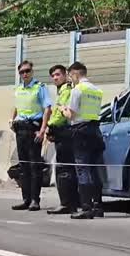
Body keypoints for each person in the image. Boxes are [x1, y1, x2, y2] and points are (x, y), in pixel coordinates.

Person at [63, 61, 105, 220]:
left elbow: (71, 115)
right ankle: (98, 206)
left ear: (75, 74)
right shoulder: (97, 90)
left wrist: (63, 110)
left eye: (70, 76)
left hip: (80, 131)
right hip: (95, 131)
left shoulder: (77, 89)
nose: (70, 79)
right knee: (95, 169)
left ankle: (86, 207)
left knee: (83, 169)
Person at [9, 60, 52, 211]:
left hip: (33, 127)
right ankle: (26, 199)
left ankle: (35, 200)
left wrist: (42, 130)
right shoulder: (19, 89)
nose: (25, 74)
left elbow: (47, 109)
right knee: (24, 165)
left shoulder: (39, 87)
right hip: (20, 128)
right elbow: (16, 106)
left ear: (32, 72)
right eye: (22, 72)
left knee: (35, 166)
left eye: (27, 71)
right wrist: (11, 120)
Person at [46, 64, 79, 215]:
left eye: (58, 74)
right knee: (67, 168)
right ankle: (71, 202)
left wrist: (49, 126)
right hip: (67, 132)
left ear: (65, 74)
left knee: (63, 169)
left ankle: (66, 203)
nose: (55, 78)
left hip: (65, 132)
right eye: (53, 76)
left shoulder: (66, 90)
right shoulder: (64, 90)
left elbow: (59, 115)